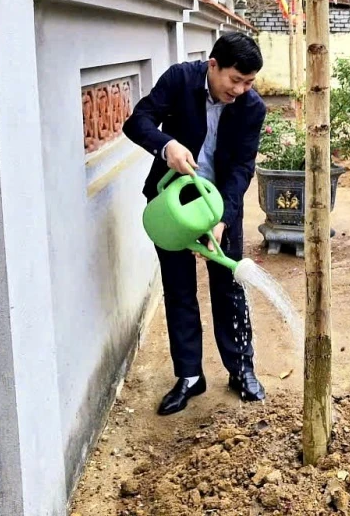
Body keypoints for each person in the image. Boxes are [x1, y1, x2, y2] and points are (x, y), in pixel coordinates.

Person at [123, 33, 267, 415]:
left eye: (248, 82)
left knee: (229, 288)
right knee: (179, 287)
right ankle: (189, 375)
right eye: (234, 79)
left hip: (219, 206)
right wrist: (166, 145)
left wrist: (223, 218)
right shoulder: (179, 80)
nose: (240, 89)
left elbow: (241, 168)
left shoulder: (252, 108)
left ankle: (241, 368)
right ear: (213, 65)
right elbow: (137, 121)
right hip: (173, 204)